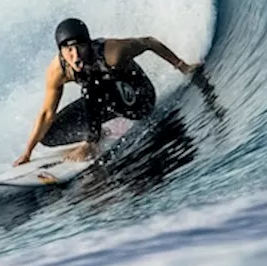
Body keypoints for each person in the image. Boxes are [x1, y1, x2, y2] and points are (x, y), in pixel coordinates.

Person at [14, 18, 201, 165]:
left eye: (80, 47)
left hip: (139, 99)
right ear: (60, 51)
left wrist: (183, 66)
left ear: (88, 43)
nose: (75, 55)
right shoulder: (58, 70)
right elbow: (47, 113)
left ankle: (92, 142)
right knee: (48, 135)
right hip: (103, 101)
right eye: (69, 49)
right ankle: (99, 133)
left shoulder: (112, 52)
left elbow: (149, 42)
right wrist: (27, 153)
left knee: (91, 84)